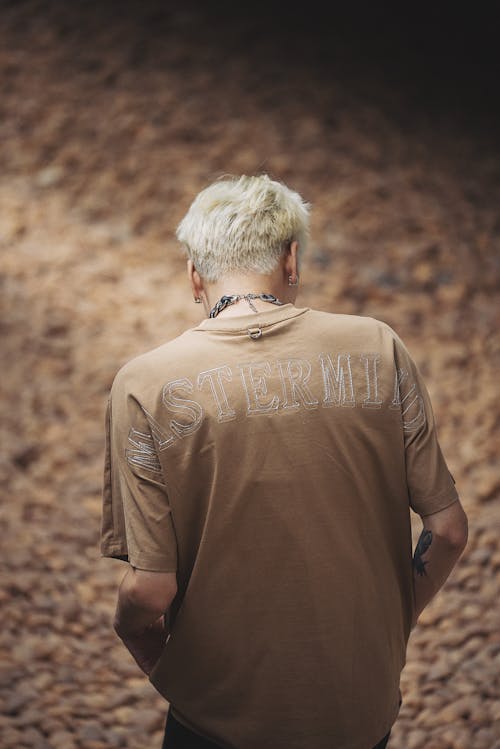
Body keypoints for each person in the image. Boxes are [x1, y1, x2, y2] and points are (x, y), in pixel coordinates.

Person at [101, 174, 468, 749]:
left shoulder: (145, 385)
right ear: (291, 260)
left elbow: (149, 591)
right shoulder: (377, 347)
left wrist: (145, 650)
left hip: (218, 717)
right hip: (359, 711)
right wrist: (390, 627)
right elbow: (447, 532)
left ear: (195, 276)